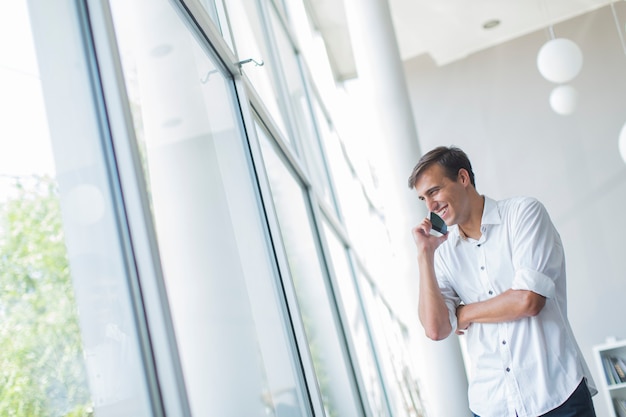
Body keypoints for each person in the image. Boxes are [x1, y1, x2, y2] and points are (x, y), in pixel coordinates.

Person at [407, 146, 597, 417]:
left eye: (434, 191)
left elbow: (528, 300)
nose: (430, 206)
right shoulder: (443, 253)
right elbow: (436, 329)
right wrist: (424, 255)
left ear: (463, 178)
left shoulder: (523, 214)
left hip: (556, 395)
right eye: (423, 198)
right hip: (492, 404)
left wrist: (462, 313)